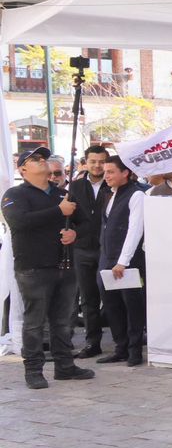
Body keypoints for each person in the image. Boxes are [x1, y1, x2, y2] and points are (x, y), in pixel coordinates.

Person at [2, 150, 94, 389]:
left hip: (65, 265)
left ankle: (65, 366)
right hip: (33, 267)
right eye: (35, 159)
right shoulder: (15, 194)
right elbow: (19, 222)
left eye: (43, 158)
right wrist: (58, 211)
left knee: (62, 321)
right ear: (23, 169)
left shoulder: (63, 194)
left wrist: (74, 233)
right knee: (34, 323)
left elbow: (86, 223)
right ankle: (33, 370)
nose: (41, 161)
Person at [97, 156, 148, 366]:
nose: (106, 176)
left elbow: (135, 230)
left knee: (132, 305)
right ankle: (121, 348)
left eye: (110, 172)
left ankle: (134, 350)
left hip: (128, 260)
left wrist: (123, 261)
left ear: (125, 173)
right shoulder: (110, 194)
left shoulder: (136, 194)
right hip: (107, 258)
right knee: (111, 304)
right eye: (105, 172)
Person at [66, 145, 111, 357]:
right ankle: (93, 342)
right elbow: (70, 218)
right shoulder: (75, 186)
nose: (97, 166)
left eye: (101, 161)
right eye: (93, 161)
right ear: (86, 162)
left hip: (107, 249)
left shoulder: (113, 184)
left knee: (112, 297)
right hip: (82, 249)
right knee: (88, 299)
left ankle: (123, 341)